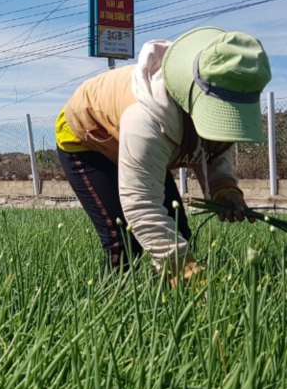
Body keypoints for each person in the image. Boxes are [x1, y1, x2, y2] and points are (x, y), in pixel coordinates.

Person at [55, 27, 271, 285]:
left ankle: (164, 299)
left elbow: (215, 147)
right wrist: (185, 273)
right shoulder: (147, 117)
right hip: (89, 140)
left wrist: (225, 190)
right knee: (124, 239)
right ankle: (110, 302)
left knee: (179, 231)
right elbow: (141, 204)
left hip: (140, 144)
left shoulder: (220, 90)